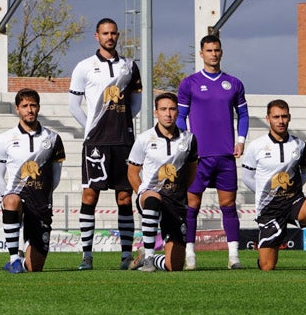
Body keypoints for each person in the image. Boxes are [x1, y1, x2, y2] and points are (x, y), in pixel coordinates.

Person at [68, 17, 142, 270]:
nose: (110, 37)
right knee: (90, 196)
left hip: (124, 142)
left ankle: (125, 256)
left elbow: (136, 104)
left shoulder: (130, 66)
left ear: (118, 36)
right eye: (105, 33)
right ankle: (87, 255)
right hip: (96, 143)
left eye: (113, 33)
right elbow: (73, 106)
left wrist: (121, 125)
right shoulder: (84, 67)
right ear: (96, 37)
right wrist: (92, 127)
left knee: (124, 197)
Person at [176, 34, 249, 270]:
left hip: (225, 155)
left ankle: (234, 257)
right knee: (191, 207)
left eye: (217, 50)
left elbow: (244, 115)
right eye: (209, 50)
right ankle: (190, 256)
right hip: (198, 157)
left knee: (228, 206)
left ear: (221, 52)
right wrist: (185, 145)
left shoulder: (234, 83)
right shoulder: (190, 83)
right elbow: (180, 117)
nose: (213, 54)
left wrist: (240, 140)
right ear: (201, 53)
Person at [240, 100, 306, 272]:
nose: (280, 121)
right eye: (276, 117)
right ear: (268, 118)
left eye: (284, 116)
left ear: (289, 118)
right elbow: (247, 177)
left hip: (293, 203)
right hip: (269, 210)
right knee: (268, 267)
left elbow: (305, 172)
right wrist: (266, 193)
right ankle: (263, 257)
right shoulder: (256, 146)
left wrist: (291, 191)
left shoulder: (299, 145)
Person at [0, 89, 65, 273]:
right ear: (18, 109)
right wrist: (6, 197)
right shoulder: (5, 138)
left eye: (33, 105)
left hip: (40, 203)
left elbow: (55, 178)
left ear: (38, 107)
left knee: (35, 267)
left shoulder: (53, 138)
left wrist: (42, 194)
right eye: (25, 106)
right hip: (17, 199)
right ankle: (14, 258)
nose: (29, 110)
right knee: (11, 199)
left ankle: (22, 263)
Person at [127, 92, 198, 273]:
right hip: (151, 196)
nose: (168, 114)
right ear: (156, 112)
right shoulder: (144, 139)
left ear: (178, 112)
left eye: (172, 109)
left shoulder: (189, 139)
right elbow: (132, 173)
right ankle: (149, 257)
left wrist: (180, 192)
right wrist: (142, 193)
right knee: (152, 199)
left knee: (174, 266)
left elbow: (191, 171)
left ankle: (146, 258)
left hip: (175, 202)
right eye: (163, 109)